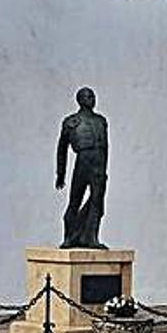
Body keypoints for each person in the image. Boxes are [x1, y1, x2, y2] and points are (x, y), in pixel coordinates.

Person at [56, 86, 109, 249]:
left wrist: (104, 169)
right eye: (87, 96)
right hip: (83, 160)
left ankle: (91, 237)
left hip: (98, 163)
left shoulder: (101, 121)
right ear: (79, 100)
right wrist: (60, 174)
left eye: (92, 96)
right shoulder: (71, 122)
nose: (92, 99)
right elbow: (62, 149)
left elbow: (106, 147)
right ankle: (69, 237)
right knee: (75, 200)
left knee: (97, 201)